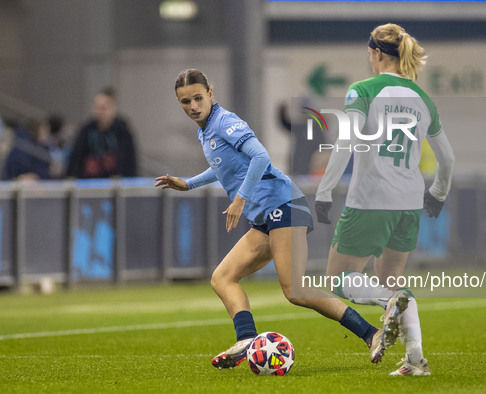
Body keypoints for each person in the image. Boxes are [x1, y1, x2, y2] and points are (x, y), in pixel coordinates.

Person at [155, 69, 394, 369]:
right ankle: (246, 339)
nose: (193, 106)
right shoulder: (205, 130)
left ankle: (372, 333)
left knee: (294, 289)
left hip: (283, 204)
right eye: (185, 102)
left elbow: (260, 157)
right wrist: (188, 183)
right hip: (267, 217)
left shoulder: (225, 122)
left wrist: (240, 199)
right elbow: (223, 167)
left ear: (211, 94)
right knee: (222, 278)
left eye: (198, 98)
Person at [314, 23, 455, 376]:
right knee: (391, 279)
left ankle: (388, 303)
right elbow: (448, 159)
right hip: (409, 202)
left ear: (376, 53)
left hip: (370, 199)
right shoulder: (423, 99)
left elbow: (345, 143)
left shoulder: (362, 90)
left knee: (339, 277)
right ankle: (415, 360)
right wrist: (437, 194)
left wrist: (324, 191)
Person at [67, 87, 138, 179]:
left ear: (112, 109)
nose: (99, 112)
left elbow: (129, 160)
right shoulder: (86, 130)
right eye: (97, 108)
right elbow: (76, 158)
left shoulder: (122, 130)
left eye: (103, 108)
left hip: (116, 182)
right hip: (90, 181)